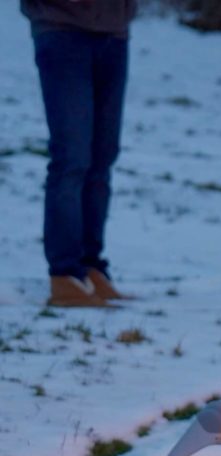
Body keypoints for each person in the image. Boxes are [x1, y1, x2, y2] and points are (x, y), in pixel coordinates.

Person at [22, 0, 137, 307]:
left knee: (102, 158)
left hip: (114, 32)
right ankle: (65, 274)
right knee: (71, 157)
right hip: (62, 30)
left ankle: (90, 266)